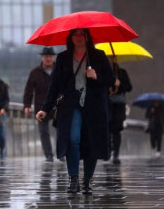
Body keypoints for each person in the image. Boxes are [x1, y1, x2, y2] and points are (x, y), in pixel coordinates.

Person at [36, 28, 114, 195]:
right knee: (73, 139)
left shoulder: (98, 56)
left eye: (82, 34)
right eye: (75, 35)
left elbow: (111, 80)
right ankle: (73, 179)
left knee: (91, 142)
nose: (78, 38)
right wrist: (45, 108)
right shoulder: (63, 58)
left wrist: (96, 76)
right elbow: (54, 86)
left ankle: (87, 182)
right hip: (71, 106)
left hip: (94, 107)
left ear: (87, 37)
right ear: (70, 38)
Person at [24, 47, 57, 162]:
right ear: (42, 58)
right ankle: (48, 154)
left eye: (50, 56)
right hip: (40, 106)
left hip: (57, 105)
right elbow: (28, 90)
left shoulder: (60, 71)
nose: (48, 59)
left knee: (60, 130)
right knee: (43, 132)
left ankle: (61, 153)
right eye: (46, 56)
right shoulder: (35, 72)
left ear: (54, 57)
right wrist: (27, 105)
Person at [108, 62, 133, 164]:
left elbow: (129, 87)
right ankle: (109, 149)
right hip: (107, 103)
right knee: (108, 128)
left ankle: (116, 154)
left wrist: (120, 84)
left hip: (119, 104)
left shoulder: (122, 73)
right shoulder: (104, 72)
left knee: (117, 128)